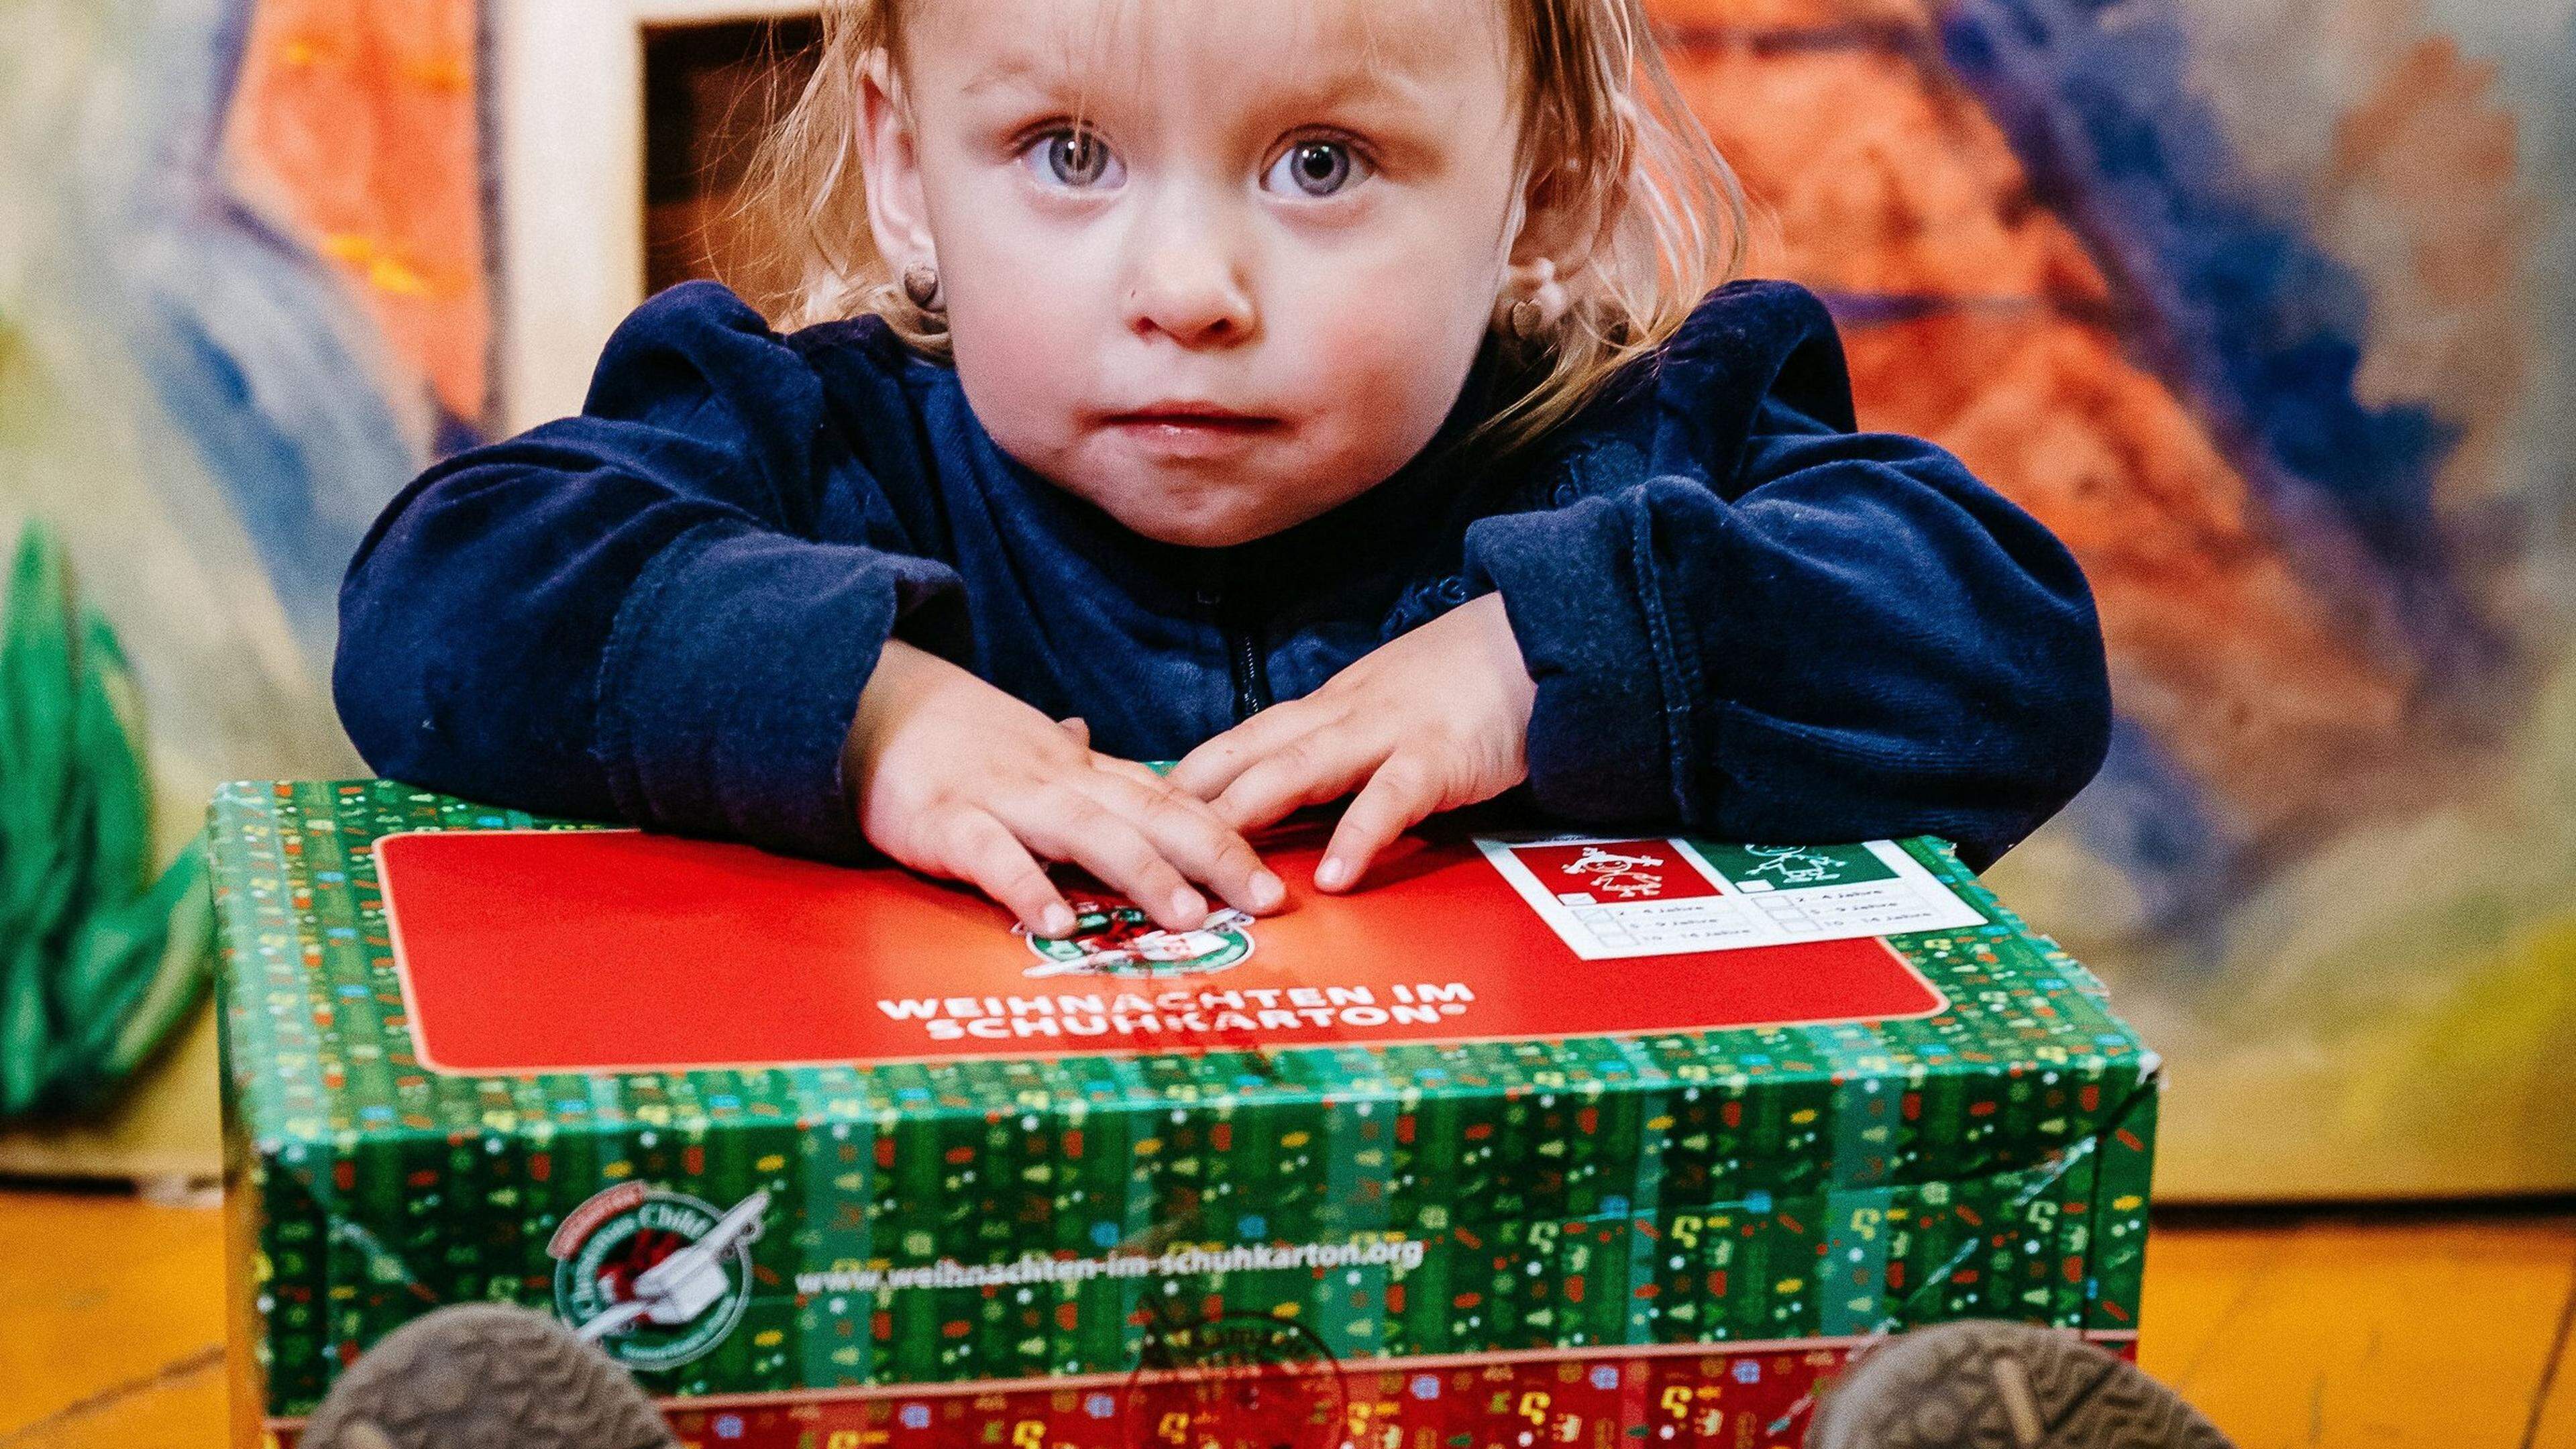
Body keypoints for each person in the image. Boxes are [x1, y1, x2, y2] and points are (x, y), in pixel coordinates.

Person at [334, 0, 2115, 948]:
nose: (1187, 293)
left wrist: (1545, 659)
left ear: (1546, 182)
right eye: (1069, 152)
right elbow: (441, 595)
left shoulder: (1648, 450)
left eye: (1323, 164)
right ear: (902, 168)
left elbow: (2006, 654)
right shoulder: (812, 446)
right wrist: (865, 714)